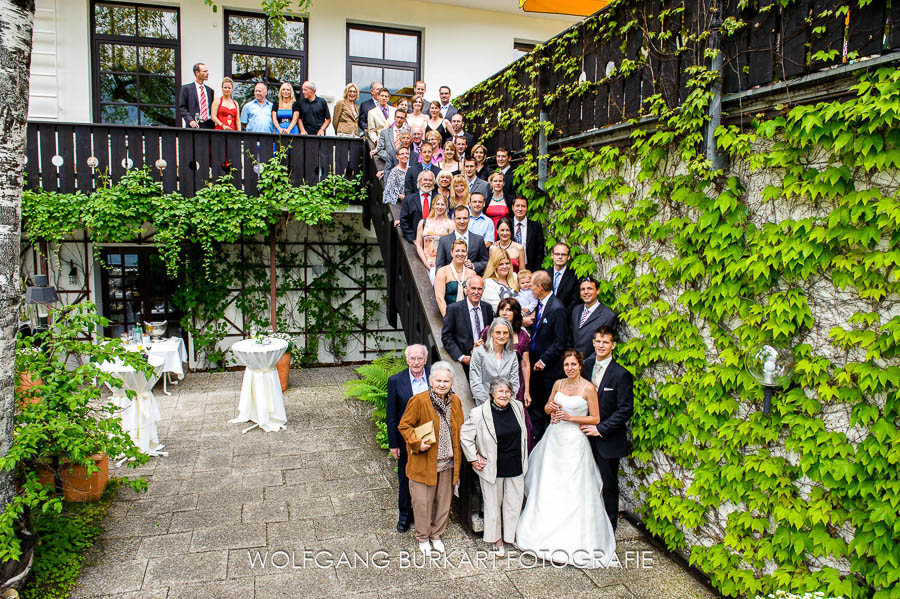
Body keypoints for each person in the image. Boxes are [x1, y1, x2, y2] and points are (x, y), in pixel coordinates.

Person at [516, 350, 616, 569]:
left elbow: (596, 417)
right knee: (549, 482)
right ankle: (539, 532)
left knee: (574, 485)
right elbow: (546, 407)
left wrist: (570, 417)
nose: (569, 368)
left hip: (575, 440)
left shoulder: (588, 388)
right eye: (566, 365)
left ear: (580, 366)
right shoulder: (558, 384)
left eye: (573, 364)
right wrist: (549, 408)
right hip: (554, 438)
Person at [398, 361, 464, 557]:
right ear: (431, 381)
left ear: (451, 382)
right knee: (422, 502)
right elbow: (404, 426)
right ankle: (423, 537)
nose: (442, 384)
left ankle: (436, 535)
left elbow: (460, 427)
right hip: (424, 462)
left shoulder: (457, 402)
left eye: (446, 381)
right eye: (438, 380)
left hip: (448, 463)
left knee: (443, 502)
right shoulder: (419, 400)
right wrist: (417, 442)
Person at [460, 376, 528, 556]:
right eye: (500, 391)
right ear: (492, 393)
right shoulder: (479, 413)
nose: (504, 395)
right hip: (492, 467)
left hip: (515, 464)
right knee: (493, 505)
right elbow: (465, 437)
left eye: (507, 391)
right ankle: (495, 539)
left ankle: (510, 538)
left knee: (513, 504)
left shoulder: (517, 407)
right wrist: (474, 458)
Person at [581, 326, 634, 532]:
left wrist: (600, 429)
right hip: (583, 435)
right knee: (585, 478)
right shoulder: (584, 365)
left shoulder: (621, 375)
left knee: (608, 483)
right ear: (593, 342)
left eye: (606, 342)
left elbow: (624, 410)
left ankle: (609, 526)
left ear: (613, 345)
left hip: (607, 438)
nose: (601, 345)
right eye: (598, 341)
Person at [477, 298, 534, 448]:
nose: (504, 312)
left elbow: (525, 363)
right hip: (491, 381)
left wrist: (527, 390)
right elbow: (479, 355)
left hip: (515, 382)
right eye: (502, 309)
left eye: (508, 309)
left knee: (518, 418)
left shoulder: (522, 335)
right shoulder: (489, 330)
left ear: (515, 313)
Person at [386, 345, 430, 533]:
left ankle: (426, 513)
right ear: (406, 360)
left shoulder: (434, 377)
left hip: (430, 434)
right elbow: (392, 415)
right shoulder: (396, 381)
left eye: (420, 358)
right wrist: (393, 443)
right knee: (405, 475)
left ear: (426, 360)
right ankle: (405, 514)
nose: (416, 362)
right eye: (412, 358)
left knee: (428, 474)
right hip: (407, 436)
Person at [528, 270, 570, 442]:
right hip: (537, 367)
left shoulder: (557, 308)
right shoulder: (541, 304)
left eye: (531, 285)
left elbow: (560, 341)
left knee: (547, 407)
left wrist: (544, 360)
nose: (529, 288)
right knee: (537, 407)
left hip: (549, 370)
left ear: (539, 287)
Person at [441, 277, 493, 369]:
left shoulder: (487, 308)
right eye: (473, 288)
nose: (476, 292)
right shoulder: (454, 309)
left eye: (479, 289)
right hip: (466, 361)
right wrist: (461, 357)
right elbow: (446, 337)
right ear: (466, 289)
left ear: (483, 290)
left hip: (486, 361)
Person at [470, 318, 519, 405]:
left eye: (505, 333)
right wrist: (490, 403)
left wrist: (506, 401)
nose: (501, 336)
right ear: (491, 333)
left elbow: (514, 382)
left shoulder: (512, 355)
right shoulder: (478, 352)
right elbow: (475, 383)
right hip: (484, 403)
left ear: (509, 335)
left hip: (506, 403)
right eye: (498, 332)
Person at [434, 205, 490, 275]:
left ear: (469, 219)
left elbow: (486, 262)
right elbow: (439, 266)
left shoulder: (479, 240)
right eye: (459, 218)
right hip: (450, 281)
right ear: (454, 219)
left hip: (472, 281)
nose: (462, 221)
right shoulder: (444, 241)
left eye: (465, 218)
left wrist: (473, 266)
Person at [571, 278, 618, 357]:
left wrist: (586, 363)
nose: (586, 292)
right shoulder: (576, 310)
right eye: (583, 289)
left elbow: (605, 346)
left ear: (598, 291)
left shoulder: (608, 316)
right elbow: (570, 337)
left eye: (590, 289)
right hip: (574, 363)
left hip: (592, 363)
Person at [415, 195, 454, 281]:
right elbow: (419, 245)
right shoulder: (423, 222)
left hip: (441, 263)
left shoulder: (450, 224)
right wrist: (425, 262)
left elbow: (451, 246)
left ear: (446, 206)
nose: (440, 207)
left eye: (443, 204)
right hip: (425, 261)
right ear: (433, 205)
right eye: (438, 204)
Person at [433, 239, 475, 316]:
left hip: (467, 315)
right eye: (457, 251)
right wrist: (448, 319)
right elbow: (439, 299)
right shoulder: (442, 272)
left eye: (463, 251)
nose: (460, 253)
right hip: (449, 314)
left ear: (466, 253)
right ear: (451, 253)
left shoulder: (472, 273)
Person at [399, 169, 435, 243]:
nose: (427, 182)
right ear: (419, 181)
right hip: (415, 240)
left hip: (435, 240)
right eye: (425, 180)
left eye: (430, 180)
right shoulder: (409, 200)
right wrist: (413, 239)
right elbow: (404, 221)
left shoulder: (439, 198)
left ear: (433, 183)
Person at [512, 196, 546, 273]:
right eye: (517, 206)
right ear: (513, 207)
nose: (520, 209)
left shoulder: (536, 226)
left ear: (527, 208)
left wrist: (537, 271)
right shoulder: (507, 225)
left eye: (523, 206)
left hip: (530, 268)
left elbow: (540, 251)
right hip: (510, 268)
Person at [179, 62, 214, 129]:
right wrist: (190, 120)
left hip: (209, 126)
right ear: (197, 73)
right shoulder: (186, 89)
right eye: (204, 71)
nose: (207, 73)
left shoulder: (210, 91)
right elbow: (182, 108)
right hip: (194, 125)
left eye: (207, 71)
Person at [546, 242, 579, 312]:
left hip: (564, 315)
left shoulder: (574, 277)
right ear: (552, 255)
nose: (560, 257)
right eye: (557, 254)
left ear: (568, 257)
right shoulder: (545, 274)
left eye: (563, 254)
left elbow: (574, 301)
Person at [375, 109, 408, 175]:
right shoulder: (384, 133)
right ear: (394, 117)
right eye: (398, 117)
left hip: (404, 169)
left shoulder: (408, 133)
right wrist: (393, 159)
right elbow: (380, 150)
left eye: (401, 118)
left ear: (404, 120)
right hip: (388, 167)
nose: (399, 120)